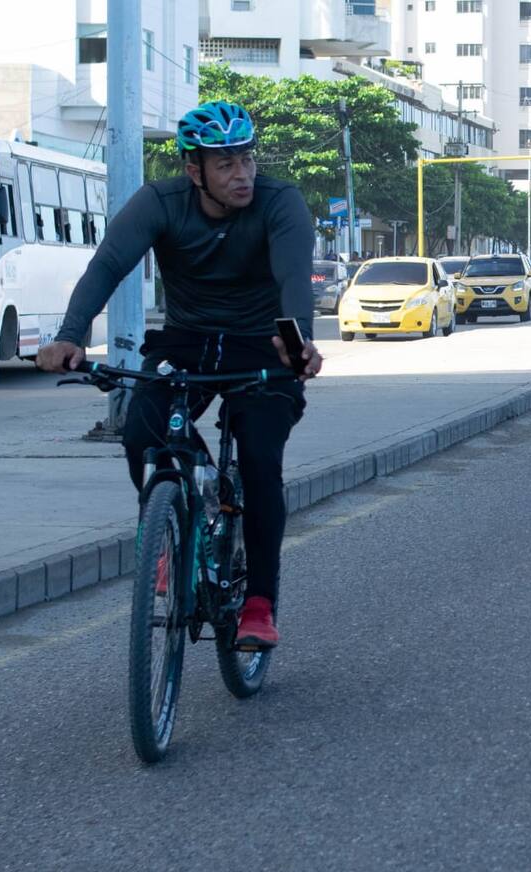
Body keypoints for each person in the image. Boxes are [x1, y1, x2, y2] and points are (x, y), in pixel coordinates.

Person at [37, 100, 323, 650]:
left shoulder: (279, 203)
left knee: (261, 458)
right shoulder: (160, 203)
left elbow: (293, 279)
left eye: (246, 160)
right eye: (225, 164)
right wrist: (70, 335)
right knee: (142, 430)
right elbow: (107, 266)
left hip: (262, 347)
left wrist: (297, 346)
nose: (241, 174)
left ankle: (259, 602)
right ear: (195, 171)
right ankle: (177, 529)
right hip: (187, 343)